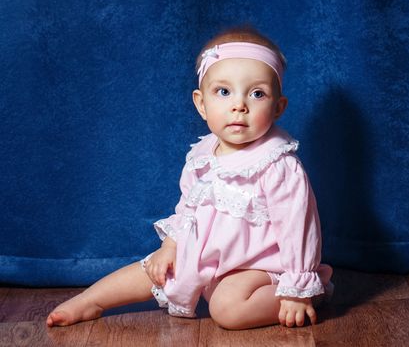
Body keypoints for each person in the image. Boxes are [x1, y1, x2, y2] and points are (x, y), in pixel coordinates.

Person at [47, 26, 333, 330]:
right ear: (201, 104)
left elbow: (299, 228)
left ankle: (311, 293)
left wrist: (298, 285)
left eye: (257, 93)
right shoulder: (202, 156)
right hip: (209, 259)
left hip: (260, 267)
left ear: (277, 108)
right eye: (224, 92)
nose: (239, 105)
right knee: (156, 269)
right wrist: (170, 246)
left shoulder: (278, 164)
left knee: (227, 309)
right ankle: (92, 300)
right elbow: (188, 209)